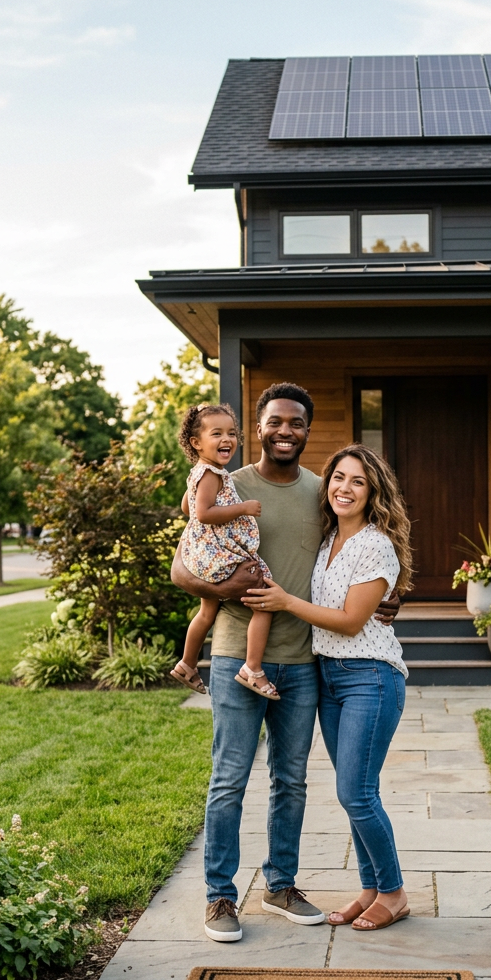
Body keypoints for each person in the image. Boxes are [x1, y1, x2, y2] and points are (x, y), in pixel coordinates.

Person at [169, 383, 399, 943]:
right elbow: (181, 570)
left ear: (306, 430)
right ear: (259, 426)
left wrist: (389, 595)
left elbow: (359, 549)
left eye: (296, 423)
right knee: (229, 779)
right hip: (233, 656)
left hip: (303, 661)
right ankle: (221, 897)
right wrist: (222, 587)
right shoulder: (225, 484)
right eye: (275, 421)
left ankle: (280, 884)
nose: (285, 431)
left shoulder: (324, 493)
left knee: (290, 780)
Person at [242, 443, 413, 932]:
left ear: (373, 491)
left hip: (370, 677)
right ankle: (372, 887)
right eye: (338, 477)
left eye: (358, 481)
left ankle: (395, 892)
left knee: (355, 792)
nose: (345, 488)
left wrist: (284, 601)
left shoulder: (375, 544)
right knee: (355, 791)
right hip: (330, 676)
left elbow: (352, 621)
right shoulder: (328, 540)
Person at [169, 402, 277, 700]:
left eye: (231, 432)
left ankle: (187, 664)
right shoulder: (212, 474)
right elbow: (202, 513)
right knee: (265, 601)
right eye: (216, 433)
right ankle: (252, 669)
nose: (226, 439)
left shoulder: (201, 472)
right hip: (220, 556)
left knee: (207, 612)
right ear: (196, 442)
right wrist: (243, 507)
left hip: (203, 555)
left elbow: (187, 507)